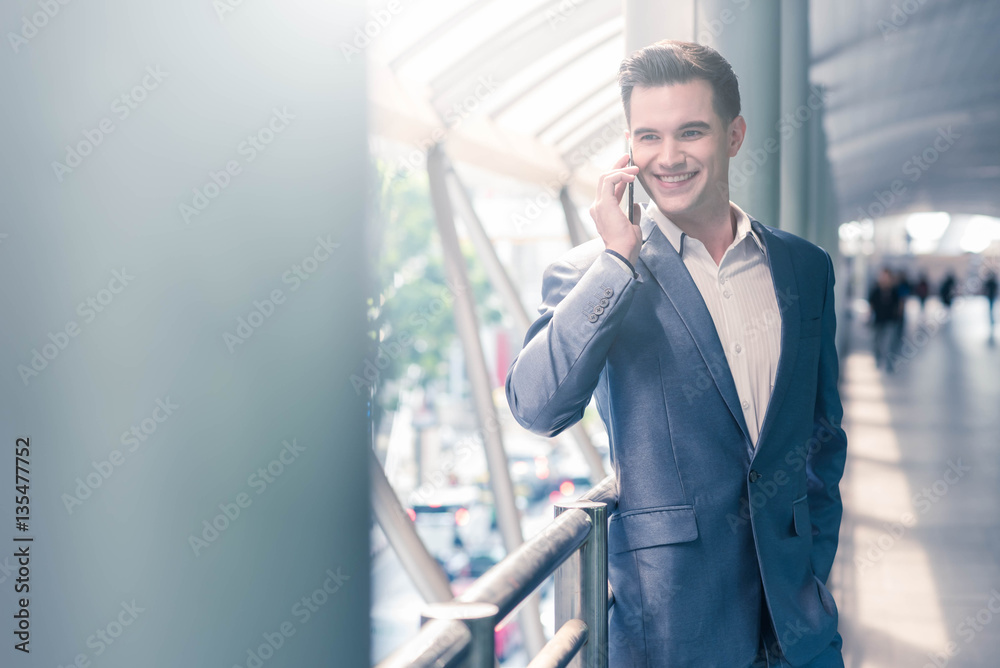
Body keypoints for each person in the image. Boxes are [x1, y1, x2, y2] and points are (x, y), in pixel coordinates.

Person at [505, 40, 847, 667]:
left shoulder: (804, 267)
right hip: (673, 628)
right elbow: (536, 408)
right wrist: (616, 263)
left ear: (734, 134)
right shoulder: (595, 274)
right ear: (628, 150)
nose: (669, 157)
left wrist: (813, 567)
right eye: (648, 138)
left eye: (691, 132)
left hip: (799, 626)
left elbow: (823, 435)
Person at [868, 268, 903, 372]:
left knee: (889, 343)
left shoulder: (894, 290)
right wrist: (869, 316)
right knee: (876, 342)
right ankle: (878, 359)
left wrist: (898, 316)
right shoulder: (876, 290)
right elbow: (871, 305)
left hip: (890, 320)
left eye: (887, 276)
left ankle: (889, 364)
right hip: (878, 320)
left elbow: (900, 304)